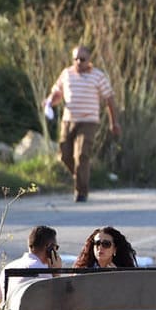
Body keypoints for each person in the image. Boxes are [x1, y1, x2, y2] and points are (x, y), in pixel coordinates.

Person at [45, 45, 121, 203]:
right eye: (75, 59)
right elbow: (58, 93)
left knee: (82, 155)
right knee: (64, 155)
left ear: (89, 60)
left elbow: (109, 99)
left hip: (88, 121)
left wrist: (114, 123)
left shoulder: (98, 76)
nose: (78, 62)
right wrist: (50, 102)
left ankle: (81, 192)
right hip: (68, 120)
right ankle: (81, 176)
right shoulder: (66, 74)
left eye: (82, 59)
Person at [0, 226, 61, 310]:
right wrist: (56, 273)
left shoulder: (9, 267)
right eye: (56, 248)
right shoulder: (44, 272)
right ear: (49, 247)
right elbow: (59, 305)